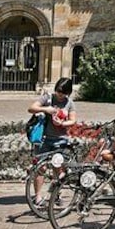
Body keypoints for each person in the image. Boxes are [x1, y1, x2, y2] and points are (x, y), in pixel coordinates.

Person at [27, 77, 77, 205]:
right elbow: (31, 108)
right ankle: (37, 197)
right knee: (41, 168)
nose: (59, 95)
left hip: (60, 140)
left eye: (62, 93)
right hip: (44, 139)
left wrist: (63, 123)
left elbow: (73, 120)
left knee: (58, 168)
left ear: (68, 93)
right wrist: (45, 109)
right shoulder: (48, 98)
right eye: (58, 91)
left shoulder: (69, 103)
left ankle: (56, 195)